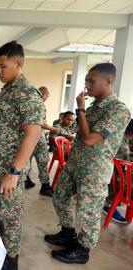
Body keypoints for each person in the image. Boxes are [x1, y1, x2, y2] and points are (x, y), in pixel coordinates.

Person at [45, 63, 130, 264]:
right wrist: (83, 111)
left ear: (109, 81)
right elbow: (79, 133)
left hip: (94, 170)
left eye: (92, 81)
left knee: (88, 212)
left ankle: (83, 250)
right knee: (60, 196)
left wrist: (80, 109)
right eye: (86, 81)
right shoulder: (93, 107)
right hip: (76, 163)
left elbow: (90, 139)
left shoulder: (119, 110)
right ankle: (67, 233)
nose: (87, 85)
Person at [0, 41, 44, 270]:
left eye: (2, 66)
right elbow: (5, 130)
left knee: (10, 214)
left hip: (11, 170)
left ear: (18, 63)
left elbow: (33, 134)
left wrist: (14, 171)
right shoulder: (8, 90)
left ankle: (11, 259)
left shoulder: (27, 93)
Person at [102, 119, 133, 224]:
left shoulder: (119, 137)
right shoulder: (123, 146)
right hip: (112, 179)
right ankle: (108, 204)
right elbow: (125, 164)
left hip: (105, 172)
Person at [25, 86, 53, 197]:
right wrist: (52, 129)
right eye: (47, 96)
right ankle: (45, 186)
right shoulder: (40, 104)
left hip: (27, 136)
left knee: (27, 159)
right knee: (43, 160)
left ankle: (26, 180)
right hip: (38, 137)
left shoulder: (29, 103)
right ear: (44, 95)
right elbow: (41, 122)